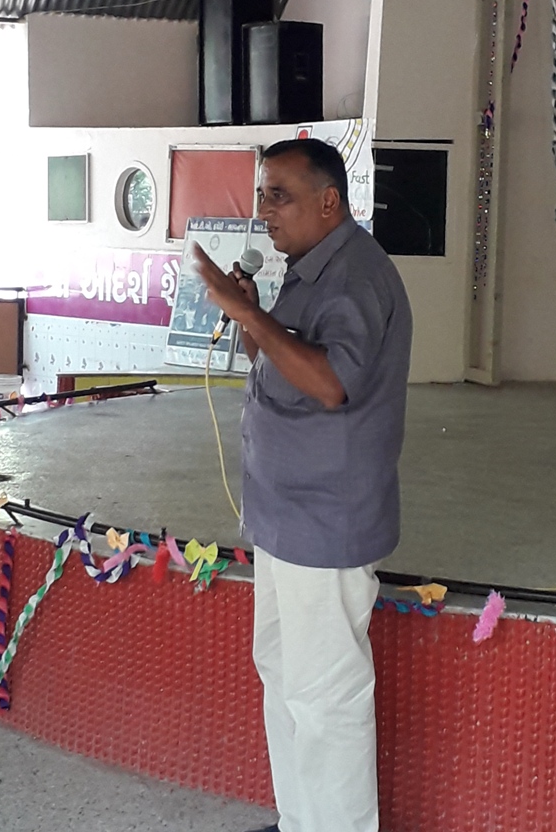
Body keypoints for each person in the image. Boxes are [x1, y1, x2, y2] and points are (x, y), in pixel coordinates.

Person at [193, 138, 413, 832]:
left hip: (325, 524)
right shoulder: (309, 268)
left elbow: (329, 382)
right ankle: (300, 821)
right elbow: (287, 361)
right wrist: (254, 315)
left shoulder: (356, 276)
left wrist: (248, 315)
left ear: (328, 201)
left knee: (327, 698)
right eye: (262, 194)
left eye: (280, 196)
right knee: (284, 675)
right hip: (284, 518)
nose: (265, 210)